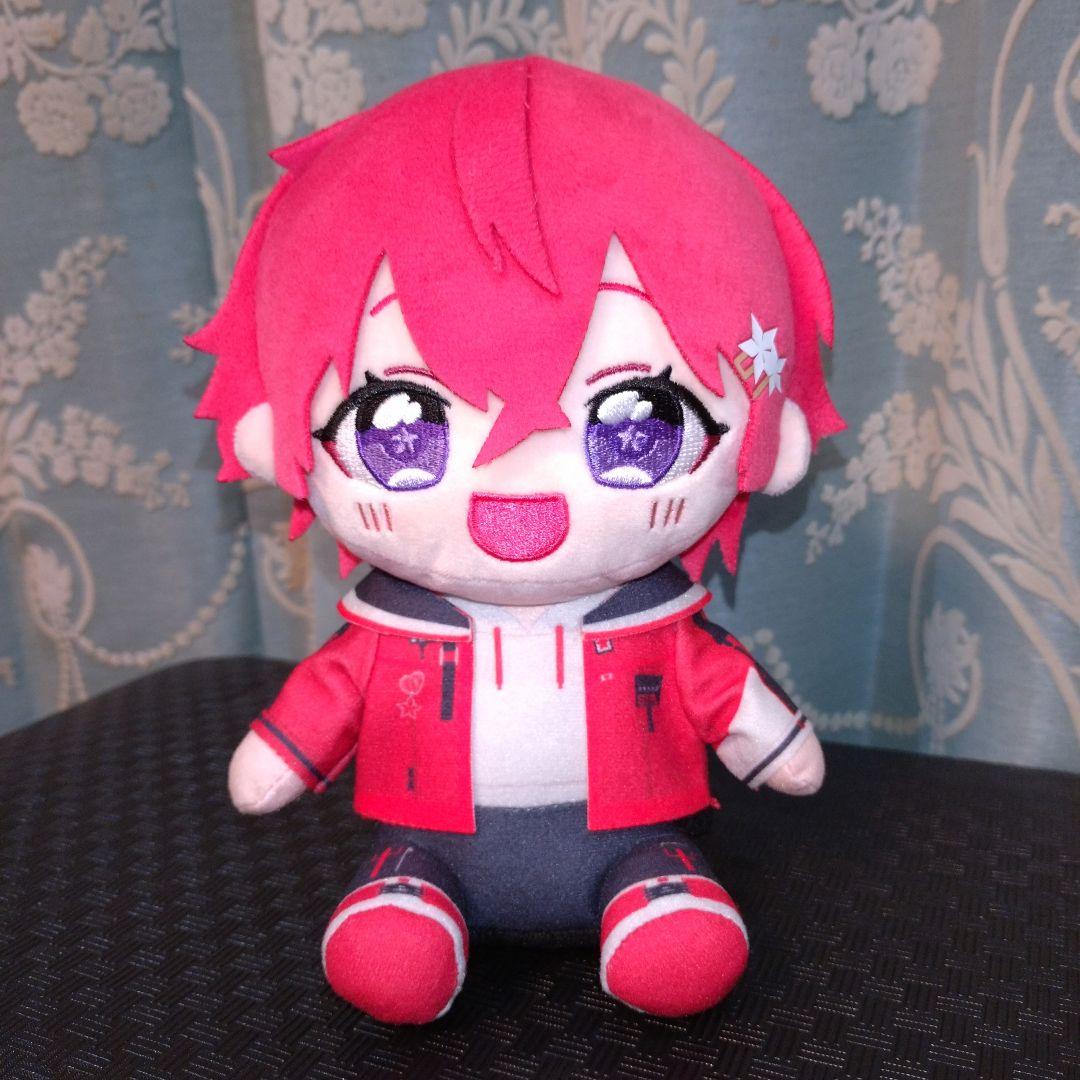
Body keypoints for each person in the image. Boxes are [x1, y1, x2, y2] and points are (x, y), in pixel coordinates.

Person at [189, 56, 844, 1024]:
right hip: (430, 841)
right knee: (392, 955)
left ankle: (655, 902)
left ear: (765, 439)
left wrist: (777, 746)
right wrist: (279, 757)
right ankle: (410, 904)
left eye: (638, 422)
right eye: (403, 424)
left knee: (677, 947)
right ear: (275, 439)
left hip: (636, 837)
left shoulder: (658, 627)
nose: (518, 486)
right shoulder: (389, 634)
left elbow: (727, 697)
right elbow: (322, 708)